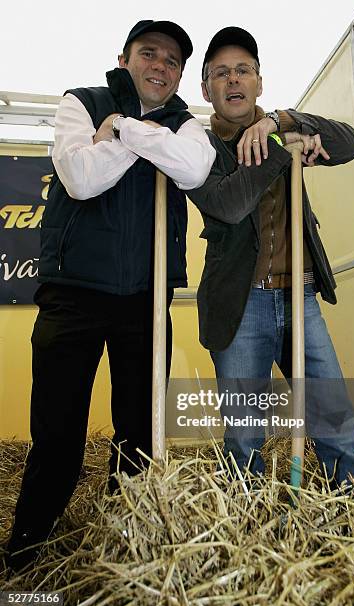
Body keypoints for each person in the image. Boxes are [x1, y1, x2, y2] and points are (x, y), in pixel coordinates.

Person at [6, 19, 215, 572]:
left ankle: (127, 547)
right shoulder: (82, 102)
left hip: (145, 302)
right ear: (124, 59)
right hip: (73, 294)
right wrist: (149, 142)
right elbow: (81, 178)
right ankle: (25, 560)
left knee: (139, 435)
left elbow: (192, 167)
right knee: (58, 434)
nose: (160, 67)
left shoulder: (188, 126)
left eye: (172, 62)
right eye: (149, 54)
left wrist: (121, 131)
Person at [186, 27, 354, 487]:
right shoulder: (194, 146)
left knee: (332, 414)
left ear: (259, 82)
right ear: (206, 88)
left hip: (300, 297)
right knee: (245, 434)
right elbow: (228, 206)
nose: (234, 80)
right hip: (240, 303)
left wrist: (284, 122)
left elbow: (350, 143)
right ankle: (243, 526)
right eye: (221, 73)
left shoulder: (282, 127)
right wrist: (281, 151)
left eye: (244, 70)